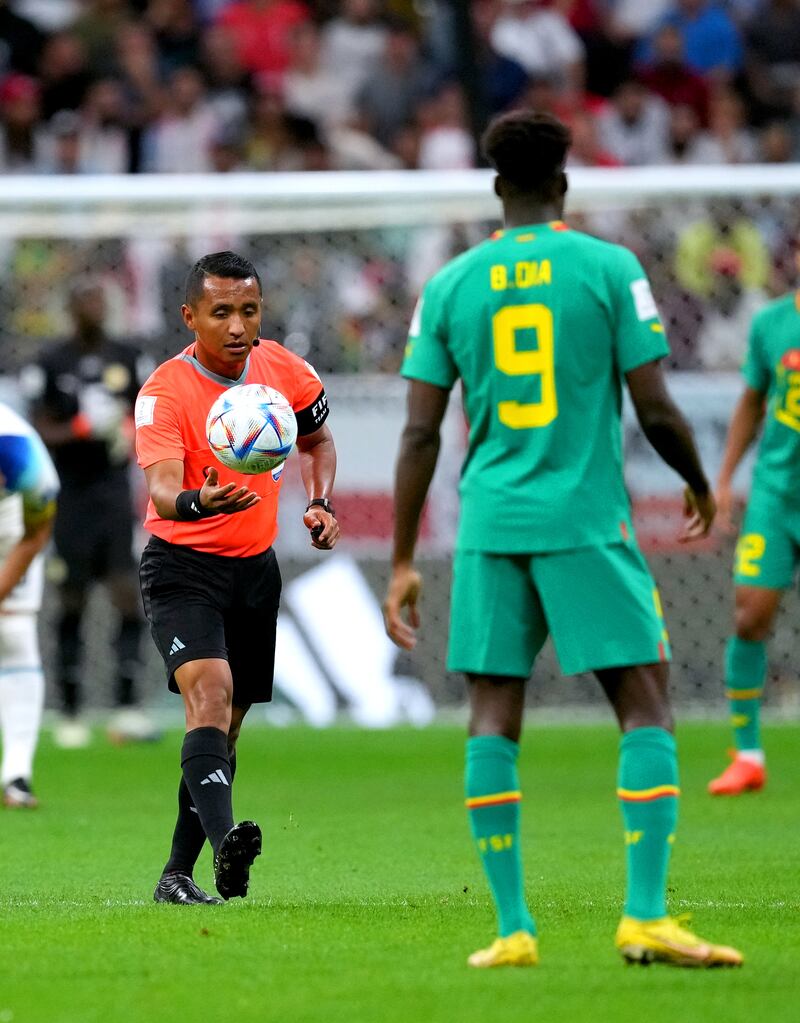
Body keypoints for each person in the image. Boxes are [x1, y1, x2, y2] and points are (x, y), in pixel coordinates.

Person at [383, 110, 743, 969]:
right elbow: (654, 404)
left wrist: (400, 558)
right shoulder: (610, 267)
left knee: (492, 713)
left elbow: (419, 436)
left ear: (497, 186)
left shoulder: (451, 284)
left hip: (491, 524)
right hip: (584, 520)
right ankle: (645, 915)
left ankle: (511, 928)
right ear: (565, 184)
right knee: (645, 701)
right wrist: (698, 480)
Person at [136, 250, 338, 905]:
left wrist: (319, 500)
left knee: (225, 728)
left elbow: (318, 441)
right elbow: (165, 490)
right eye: (220, 311)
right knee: (211, 697)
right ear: (189, 315)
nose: (236, 324)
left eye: (247, 309)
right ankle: (227, 843)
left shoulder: (284, 371)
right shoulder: (165, 391)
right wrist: (203, 499)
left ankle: (177, 874)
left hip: (255, 573)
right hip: (182, 567)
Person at [26, 278, 156, 749]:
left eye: (100, 299)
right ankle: (70, 712)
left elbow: (152, 413)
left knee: (126, 595)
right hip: (69, 496)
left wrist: (129, 429)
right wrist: (80, 427)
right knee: (73, 599)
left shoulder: (127, 355)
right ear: (70, 308)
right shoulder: (49, 361)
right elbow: (38, 427)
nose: (94, 307)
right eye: (85, 300)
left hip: (113, 495)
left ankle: (127, 709)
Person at [707, 277, 800, 795]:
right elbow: (751, 402)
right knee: (750, 611)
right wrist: (723, 481)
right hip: (777, 495)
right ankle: (747, 755)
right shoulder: (771, 323)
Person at [0, 401, 59, 807]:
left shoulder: (20, 453)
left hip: (10, 528)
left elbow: (36, 533)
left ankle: (16, 774)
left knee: (14, 634)